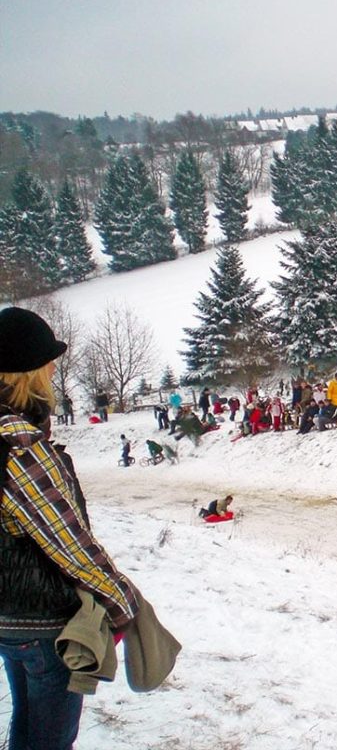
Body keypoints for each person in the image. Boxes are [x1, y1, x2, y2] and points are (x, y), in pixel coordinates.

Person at [0, 306, 141, 749]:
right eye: (49, 361)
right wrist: (122, 601)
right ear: (28, 373)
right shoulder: (18, 444)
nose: (54, 368)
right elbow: (66, 541)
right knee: (50, 741)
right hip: (42, 619)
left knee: (27, 725)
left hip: (10, 617)